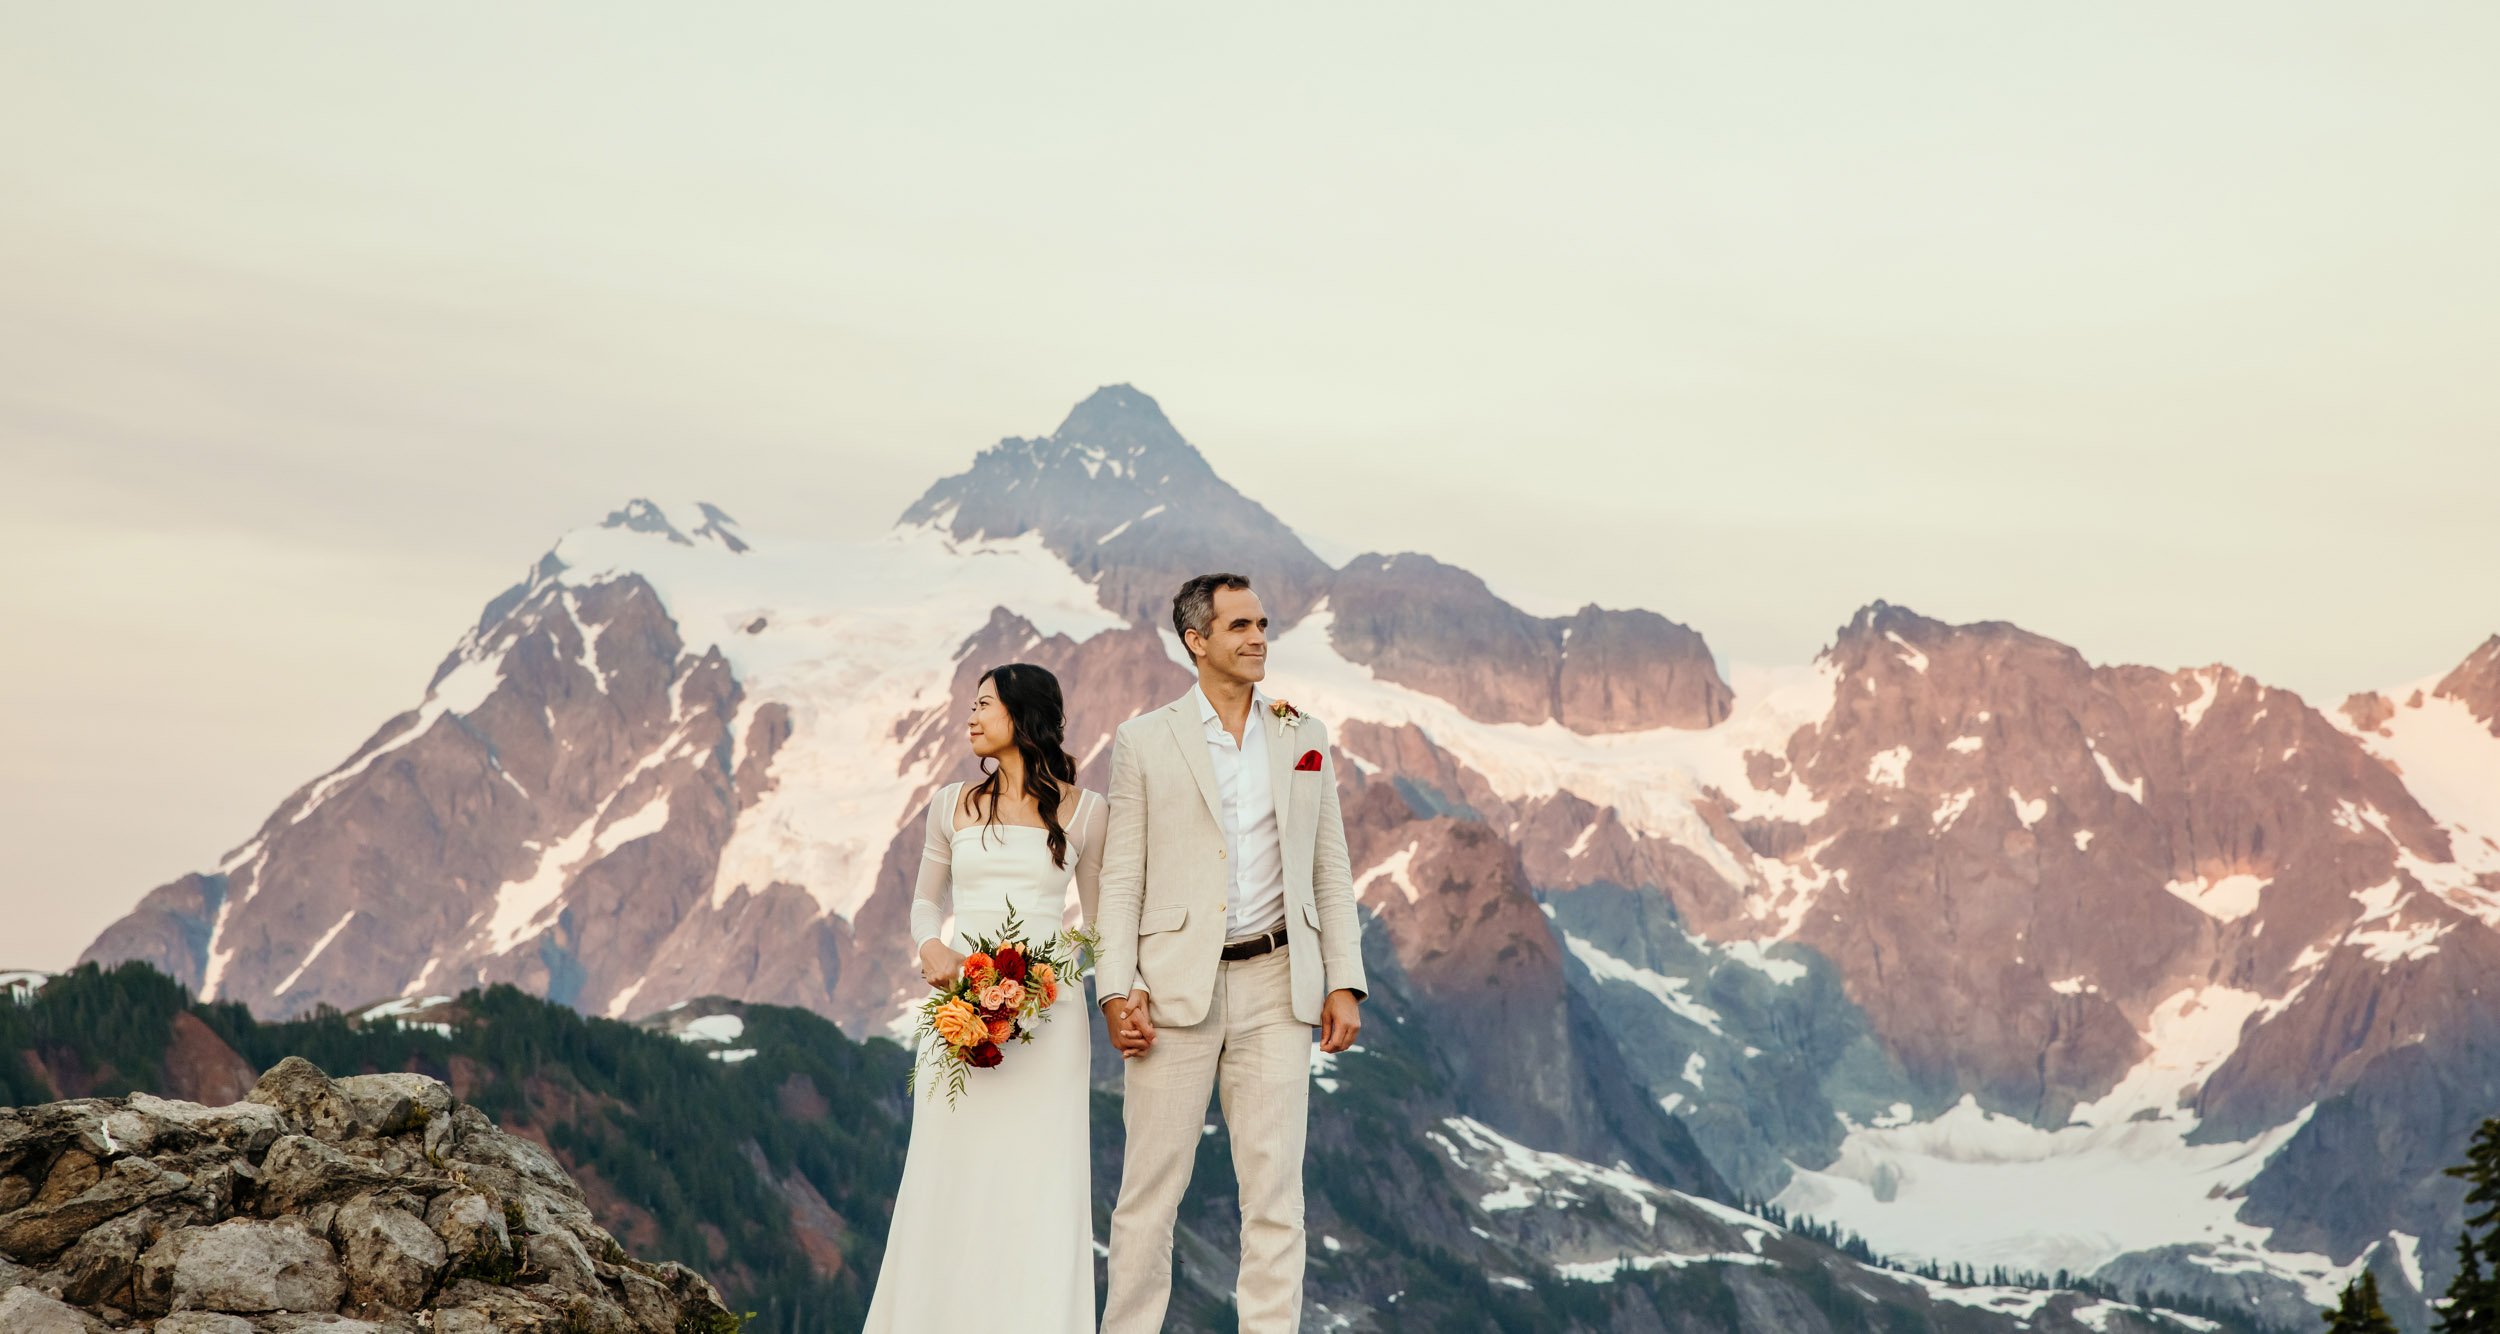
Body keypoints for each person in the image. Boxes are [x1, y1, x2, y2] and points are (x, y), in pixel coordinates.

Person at [1095, 572, 1369, 1334]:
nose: (1257, 638)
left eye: (1262, 624)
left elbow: (1330, 867)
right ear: (1196, 641)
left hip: (1281, 982)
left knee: (1276, 1197)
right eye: (1240, 626)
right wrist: (1116, 989)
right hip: (1174, 990)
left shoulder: (1302, 734)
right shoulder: (1144, 740)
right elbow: (1121, 878)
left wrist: (1342, 980)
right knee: (1149, 1194)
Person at [861, 662, 1105, 1333]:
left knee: (1039, 1180)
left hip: (1050, 1021)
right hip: (959, 1013)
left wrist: (1050, 975)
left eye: (983, 705)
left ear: (1022, 717)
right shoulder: (950, 804)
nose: (970, 718)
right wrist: (932, 949)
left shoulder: (1087, 811)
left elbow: (1103, 924)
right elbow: (922, 903)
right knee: (948, 1171)